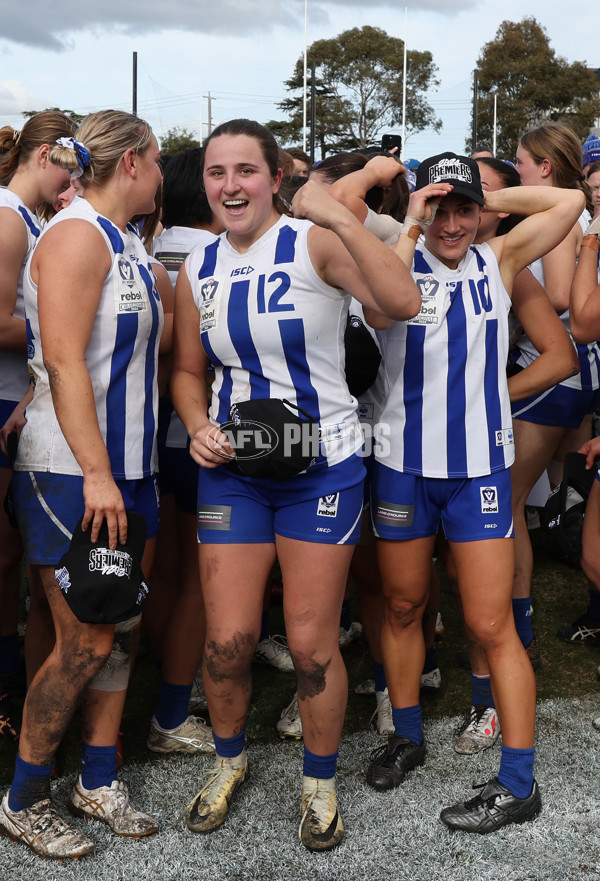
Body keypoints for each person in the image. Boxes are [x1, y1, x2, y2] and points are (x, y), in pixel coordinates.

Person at [171, 118, 420, 851]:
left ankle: (319, 781)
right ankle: (228, 761)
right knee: (227, 642)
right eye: (217, 172)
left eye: (245, 170)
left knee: (311, 647)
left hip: (322, 469)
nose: (230, 186)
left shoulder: (312, 240)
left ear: (275, 177)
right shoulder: (198, 266)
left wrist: (339, 213)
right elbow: (187, 370)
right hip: (237, 472)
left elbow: (401, 303)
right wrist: (197, 422)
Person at [364, 151, 584, 833]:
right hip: (402, 465)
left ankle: (518, 782)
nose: (452, 224)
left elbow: (571, 202)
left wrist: (488, 200)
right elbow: (375, 311)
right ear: (420, 210)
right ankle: (406, 735)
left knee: (490, 626)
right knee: (404, 606)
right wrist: (413, 215)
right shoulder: (395, 256)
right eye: (440, 210)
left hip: (479, 471)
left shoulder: (500, 259)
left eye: (464, 210)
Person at [0, 110, 165, 860]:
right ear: (132, 162)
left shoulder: (127, 241)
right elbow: (64, 361)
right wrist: (97, 474)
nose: (161, 175)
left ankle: (97, 777)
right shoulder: (75, 235)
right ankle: (23, 796)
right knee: (85, 641)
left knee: (119, 629)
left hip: (130, 469)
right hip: (76, 472)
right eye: (157, 161)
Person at [0, 112, 77, 738]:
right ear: (46, 153)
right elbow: (0, 322)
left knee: (14, 559)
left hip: (20, 395)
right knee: (6, 557)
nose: (74, 182)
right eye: (70, 167)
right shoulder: (7, 216)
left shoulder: (32, 217)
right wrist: (73, 324)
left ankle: (14, 680)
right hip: (6, 399)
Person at [511, 123, 599, 652]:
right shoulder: (576, 214)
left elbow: (563, 297)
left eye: (521, 162)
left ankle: (516, 629)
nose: (515, 169)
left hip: (557, 369)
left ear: (545, 167)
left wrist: (512, 312)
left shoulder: (563, 218)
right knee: (572, 493)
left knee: (508, 503)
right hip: (578, 371)